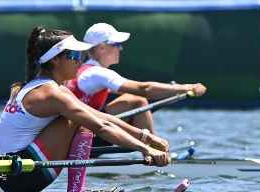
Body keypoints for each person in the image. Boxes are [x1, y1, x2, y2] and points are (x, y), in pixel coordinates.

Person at [0, 26, 171, 192]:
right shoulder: (51, 94)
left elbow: (101, 117)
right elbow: (100, 126)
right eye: (74, 55)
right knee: (79, 122)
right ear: (55, 60)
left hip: (14, 172)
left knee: (84, 117)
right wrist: (145, 149)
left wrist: (147, 138)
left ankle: (76, 191)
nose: (79, 60)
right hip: (19, 174)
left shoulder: (54, 89)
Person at [64, 22, 207, 141]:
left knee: (136, 100)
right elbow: (144, 90)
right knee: (137, 100)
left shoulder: (87, 72)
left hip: (79, 131)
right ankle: (156, 151)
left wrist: (171, 90)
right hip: (82, 135)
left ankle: (148, 149)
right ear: (101, 47)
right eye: (116, 44)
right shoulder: (96, 73)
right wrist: (187, 87)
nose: (120, 48)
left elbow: (144, 91)